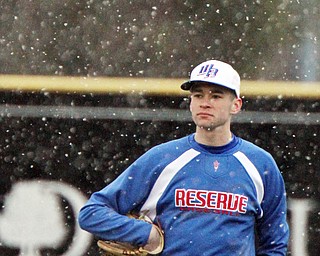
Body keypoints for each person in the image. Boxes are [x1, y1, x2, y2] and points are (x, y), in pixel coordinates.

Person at [78, 60, 290, 255]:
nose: (205, 103)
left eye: (216, 96)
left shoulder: (260, 165)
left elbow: (275, 243)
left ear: (236, 105)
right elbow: (91, 213)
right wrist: (144, 234)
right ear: (190, 102)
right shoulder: (163, 159)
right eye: (198, 95)